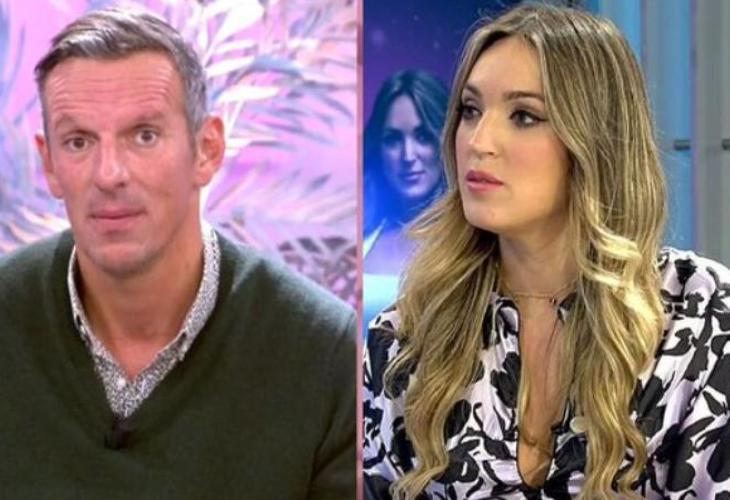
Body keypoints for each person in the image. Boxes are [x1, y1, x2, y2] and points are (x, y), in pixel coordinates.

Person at [364, 4, 730, 499]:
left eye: (524, 116)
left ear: (595, 139)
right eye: (470, 111)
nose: (479, 141)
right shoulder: (405, 337)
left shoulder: (702, 315)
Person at [0, 7, 356, 499]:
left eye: (144, 136)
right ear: (50, 165)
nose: (109, 174)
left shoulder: (323, 352)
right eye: (78, 142)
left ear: (207, 149)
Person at [363, 70, 448, 330]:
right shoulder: (362, 237)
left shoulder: (476, 238)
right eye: (393, 139)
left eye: (423, 137)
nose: (408, 155)